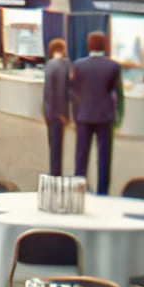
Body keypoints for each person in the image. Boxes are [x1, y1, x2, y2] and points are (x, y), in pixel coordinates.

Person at [72, 31, 123, 194]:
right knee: (104, 158)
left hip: (84, 116)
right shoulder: (113, 66)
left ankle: (80, 190)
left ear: (89, 45)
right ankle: (103, 193)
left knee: (81, 157)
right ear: (105, 45)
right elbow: (118, 94)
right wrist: (118, 118)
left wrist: (75, 116)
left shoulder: (79, 65)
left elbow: (75, 94)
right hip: (105, 117)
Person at [42, 39, 72, 176]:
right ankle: (55, 175)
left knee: (52, 145)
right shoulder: (62, 65)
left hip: (49, 111)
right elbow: (60, 91)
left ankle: (54, 173)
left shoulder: (49, 64)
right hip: (57, 113)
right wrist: (63, 114)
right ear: (62, 49)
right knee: (56, 147)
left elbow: (48, 90)